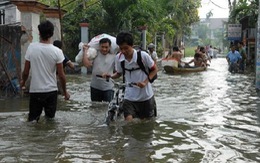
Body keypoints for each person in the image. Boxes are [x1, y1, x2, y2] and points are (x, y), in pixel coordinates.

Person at [20, 20, 70, 122]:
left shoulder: (31, 48)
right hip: (51, 91)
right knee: (50, 121)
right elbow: (61, 75)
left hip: (35, 91)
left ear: (39, 33)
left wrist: (23, 82)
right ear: (51, 34)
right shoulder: (57, 51)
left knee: (33, 121)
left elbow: (25, 71)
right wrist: (65, 92)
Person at [103, 32, 158, 122]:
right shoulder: (119, 58)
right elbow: (119, 73)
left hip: (146, 97)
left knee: (146, 124)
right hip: (129, 97)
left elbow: (155, 69)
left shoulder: (143, 56)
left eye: (126, 48)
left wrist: (145, 82)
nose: (123, 51)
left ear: (132, 45)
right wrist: (110, 76)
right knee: (128, 124)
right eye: (121, 49)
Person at [82, 38, 116, 102]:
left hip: (108, 87)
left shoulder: (114, 56)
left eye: (106, 47)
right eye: (102, 47)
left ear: (110, 47)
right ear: (99, 46)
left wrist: (110, 75)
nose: (104, 49)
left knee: (108, 107)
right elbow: (87, 65)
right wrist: (85, 51)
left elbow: (118, 72)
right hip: (95, 86)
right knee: (95, 108)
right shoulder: (95, 54)